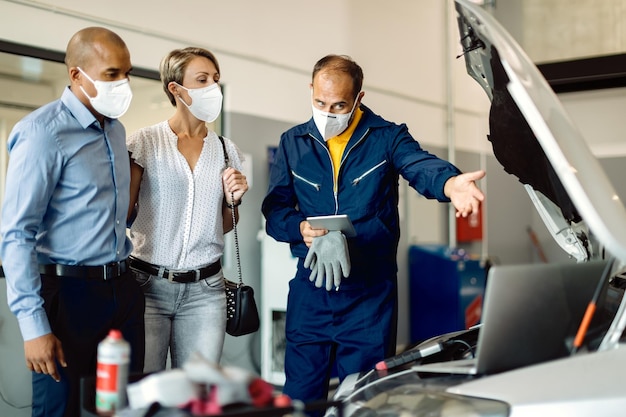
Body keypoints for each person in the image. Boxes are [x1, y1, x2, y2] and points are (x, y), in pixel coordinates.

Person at [261, 54, 485, 404]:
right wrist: (300, 228)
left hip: (368, 297)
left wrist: (450, 183)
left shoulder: (387, 138)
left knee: (365, 400)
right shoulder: (294, 142)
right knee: (300, 399)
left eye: (339, 105)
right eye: (320, 102)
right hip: (311, 290)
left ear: (358, 98)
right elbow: (274, 211)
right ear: (311, 90)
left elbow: (420, 165)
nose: (328, 112)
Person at [0, 27, 145, 417]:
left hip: (122, 290)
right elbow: (16, 234)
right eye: (112, 74)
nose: (123, 83)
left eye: (127, 73)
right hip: (67, 296)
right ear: (77, 75)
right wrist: (34, 327)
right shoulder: (42, 133)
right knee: (58, 411)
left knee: (123, 408)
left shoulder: (115, 130)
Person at [126, 47, 248, 372]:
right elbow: (123, 216)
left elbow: (223, 225)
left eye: (216, 79)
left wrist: (234, 200)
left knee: (198, 394)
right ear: (175, 89)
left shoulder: (226, 150)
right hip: (147, 286)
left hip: (206, 291)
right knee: (145, 394)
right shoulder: (144, 143)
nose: (213, 87)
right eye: (202, 79)